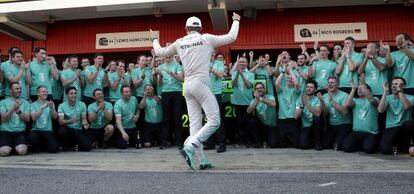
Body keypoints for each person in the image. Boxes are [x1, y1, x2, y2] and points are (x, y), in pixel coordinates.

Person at [151, 12, 240, 170]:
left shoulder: (179, 42)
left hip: (188, 86)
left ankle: (202, 160)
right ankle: (190, 146)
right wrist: (235, 20)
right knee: (214, 121)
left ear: (186, 28)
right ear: (200, 28)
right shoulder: (206, 38)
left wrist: (154, 39)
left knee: (195, 125)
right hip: (201, 84)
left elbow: (159, 52)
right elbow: (231, 37)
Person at [378, 77, 414, 154]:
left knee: (409, 124)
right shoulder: (388, 97)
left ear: (403, 86)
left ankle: (404, 146)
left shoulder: (411, 97)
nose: (394, 86)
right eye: (393, 84)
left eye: (397, 84)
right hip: (391, 127)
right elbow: (380, 110)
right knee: (385, 150)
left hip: (403, 127)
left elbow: (406, 106)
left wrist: (399, 91)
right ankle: (399, 147)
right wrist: (385, 92)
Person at [343, 83, 379, 153]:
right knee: (346, 147)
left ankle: (365, 145)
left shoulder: (375, 98)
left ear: (368, 90)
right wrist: (353, 89)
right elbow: (347, 104)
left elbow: (374, 102)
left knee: (369, 149)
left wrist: (367, 94)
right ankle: (360, 144)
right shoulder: (355, 100)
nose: (359, 90)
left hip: (370, 133)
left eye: (362, 88)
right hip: (356, 132)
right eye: (358, 89)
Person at [318, 76, 351, 150]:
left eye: (332, 82)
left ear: (338, 84)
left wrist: (331, 101)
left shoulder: (344, 95)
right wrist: (322, 102)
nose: (330, 84)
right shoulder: (324, 96)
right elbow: (325, 114)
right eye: (328, 83)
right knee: (324, 145)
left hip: (343, 124)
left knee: (337, 147)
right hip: (332, 125)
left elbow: (344, 112)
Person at [204, 51, 227, 152]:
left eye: (213, 54)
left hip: (216, 94)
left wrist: (211, 69)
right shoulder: (203, 63)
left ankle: (222, 143)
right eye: (209, 54)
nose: (211, 56)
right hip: (205, 94)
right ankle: (210, 143)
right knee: (208, 119)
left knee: (218, 119)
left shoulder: (219, 63)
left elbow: (220, 75)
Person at [0, 82, 30, 156]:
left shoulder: (25, 103)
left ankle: (15, 146)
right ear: (10, 90)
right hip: (6, 131)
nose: (19, 90)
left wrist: (19, 111)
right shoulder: (3, 102)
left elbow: (27, 119)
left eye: (20, 88)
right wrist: (13, 108)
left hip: (20, 131)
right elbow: (3, 119)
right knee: (4, 152)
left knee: (22, 151)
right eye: (16, 88)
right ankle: (9, 146)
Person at [275, 65, 301, 148]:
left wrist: (291, 72)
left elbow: (296, 84)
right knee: (282, 145)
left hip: (293, 119)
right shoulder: (281, 90)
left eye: (291, 79)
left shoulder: (295, 91)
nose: (289, 79)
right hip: (282, 119)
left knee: (297, 145)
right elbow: (276, 84)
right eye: (288, 78)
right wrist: (283, 71)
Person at [57, 87, 90, 151]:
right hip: (67, 129)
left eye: (75, 93)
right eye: (71, 93)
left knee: (87, 147)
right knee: (61, 130)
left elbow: (83, 119)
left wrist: (85, 124)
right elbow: (60, 122)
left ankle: (75, 145)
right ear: (67, 95)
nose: (74, 95)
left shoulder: (82, 104)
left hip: (78, 129)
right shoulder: (61, 106)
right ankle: (66, 145)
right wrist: (71, 121)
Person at [231, 57, 254, 147]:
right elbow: (233, 84)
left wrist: (242, 75)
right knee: (239, 122)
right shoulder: (234, 73)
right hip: (237, 102)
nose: (241, 63)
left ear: (247, 63)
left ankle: (248, 141)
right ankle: (240, 141)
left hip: (248, 102)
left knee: (248, 122)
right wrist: (237, 74)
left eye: (243, 62)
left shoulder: (251, 74)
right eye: (239, 62)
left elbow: (249, 86)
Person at [27, 86, 59, 153]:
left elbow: (55, 117)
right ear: (38, 93)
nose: (46, 93)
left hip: (48, 130)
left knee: (54, 149)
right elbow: (33, 118)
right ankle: (39, 146)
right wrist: (42, 108)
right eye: (43, 92)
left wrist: (52, 108)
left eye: (46, 92)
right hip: (36, 130)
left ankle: (44, 146)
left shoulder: (50, 103)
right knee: (32, 138)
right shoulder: (33, 105)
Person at [246, 82, 277, 148]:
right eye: (257, 88)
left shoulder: (271, 96)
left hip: (271, 125)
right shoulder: (254, 100)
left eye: (261, 88)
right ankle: (258, 142)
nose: (259, 89)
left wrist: (261, 99)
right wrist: (257, 100)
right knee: (252, 121)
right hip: (261, 126)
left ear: (264, 89)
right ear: (255, 91)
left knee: (273, 144)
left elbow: (273, 104)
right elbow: (248, 111)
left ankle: (265, 141)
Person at [294, 80, 322, 150]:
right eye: (307, 87)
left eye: (311, 87)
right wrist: (302, 106)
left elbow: (318, 113)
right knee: (303, 146)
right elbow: (296, 117)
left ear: (315, 90)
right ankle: (310, 141)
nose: (308, 89)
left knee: (317, 118)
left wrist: (306, 103)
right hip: (306, 126)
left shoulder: (317, 99)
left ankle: (317, 143)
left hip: (316, 126)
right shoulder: (299, 100)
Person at [139, 84, 164, 148]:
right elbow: (141, 107)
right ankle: (152, 141)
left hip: (159, 124)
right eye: (147, 89)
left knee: (162, 144)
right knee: (147, 145)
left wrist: (153, 94)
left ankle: (156, 140)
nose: (149, 91)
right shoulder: (144, 99)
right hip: (149, 125)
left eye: (150, 89)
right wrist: (144, 96)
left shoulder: (157, 97)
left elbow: (160, 102)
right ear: (144, 91)